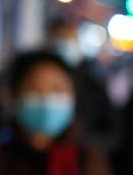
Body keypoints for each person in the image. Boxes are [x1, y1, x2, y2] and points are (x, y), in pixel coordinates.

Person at [47, 18, 118, 152]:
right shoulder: (40, 77)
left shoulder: (94, 85)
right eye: (61, 38)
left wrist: (85, 142)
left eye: (71, 39)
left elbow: (111, 131)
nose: (66, 44)